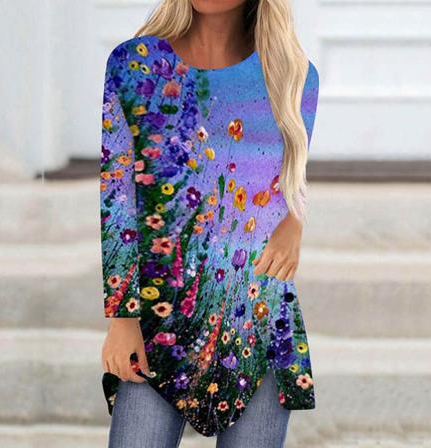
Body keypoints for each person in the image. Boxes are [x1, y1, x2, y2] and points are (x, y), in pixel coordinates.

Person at [99, 0, 320, 447]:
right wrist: (122, 319)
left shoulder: (294, 73)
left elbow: (286, 178)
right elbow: (118, 199)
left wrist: (296, 219)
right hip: (157, 318)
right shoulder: (135, 64)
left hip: (255, 318)